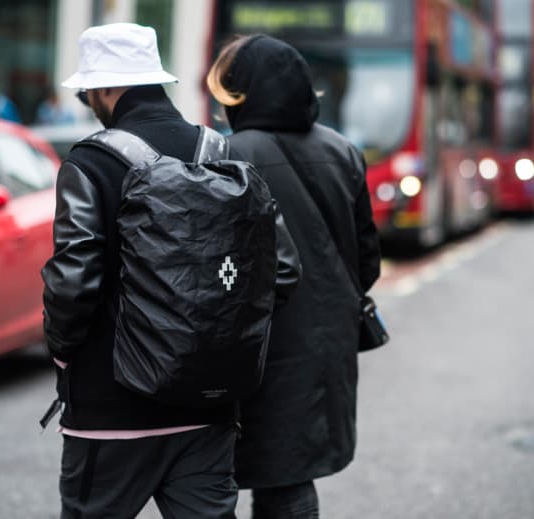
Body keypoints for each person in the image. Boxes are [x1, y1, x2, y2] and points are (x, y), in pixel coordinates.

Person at [41, 23, 300, 519]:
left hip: (109, 412)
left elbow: (72, 285)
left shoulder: (89, 164)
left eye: (89, 91)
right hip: (209, 407)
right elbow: (283, 270)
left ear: (107, 88)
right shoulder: (222, 154)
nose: (89, 101)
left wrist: (63, 358)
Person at [207, 35, 382, 518]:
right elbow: (368, 263)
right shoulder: (344, 152)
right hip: (320, 350)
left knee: (206, 484)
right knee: (289, 481)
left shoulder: (222, 153)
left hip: (244, 351)